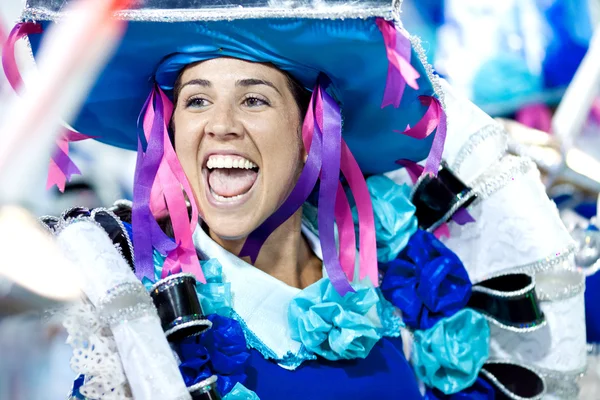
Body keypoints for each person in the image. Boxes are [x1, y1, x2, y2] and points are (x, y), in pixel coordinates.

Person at [7, 1, 586, 399]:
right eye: (197, 101)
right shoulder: (128, 320)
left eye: (254, 100)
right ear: (170, 128)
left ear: (311, 129)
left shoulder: (402, 280)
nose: (222, 127)